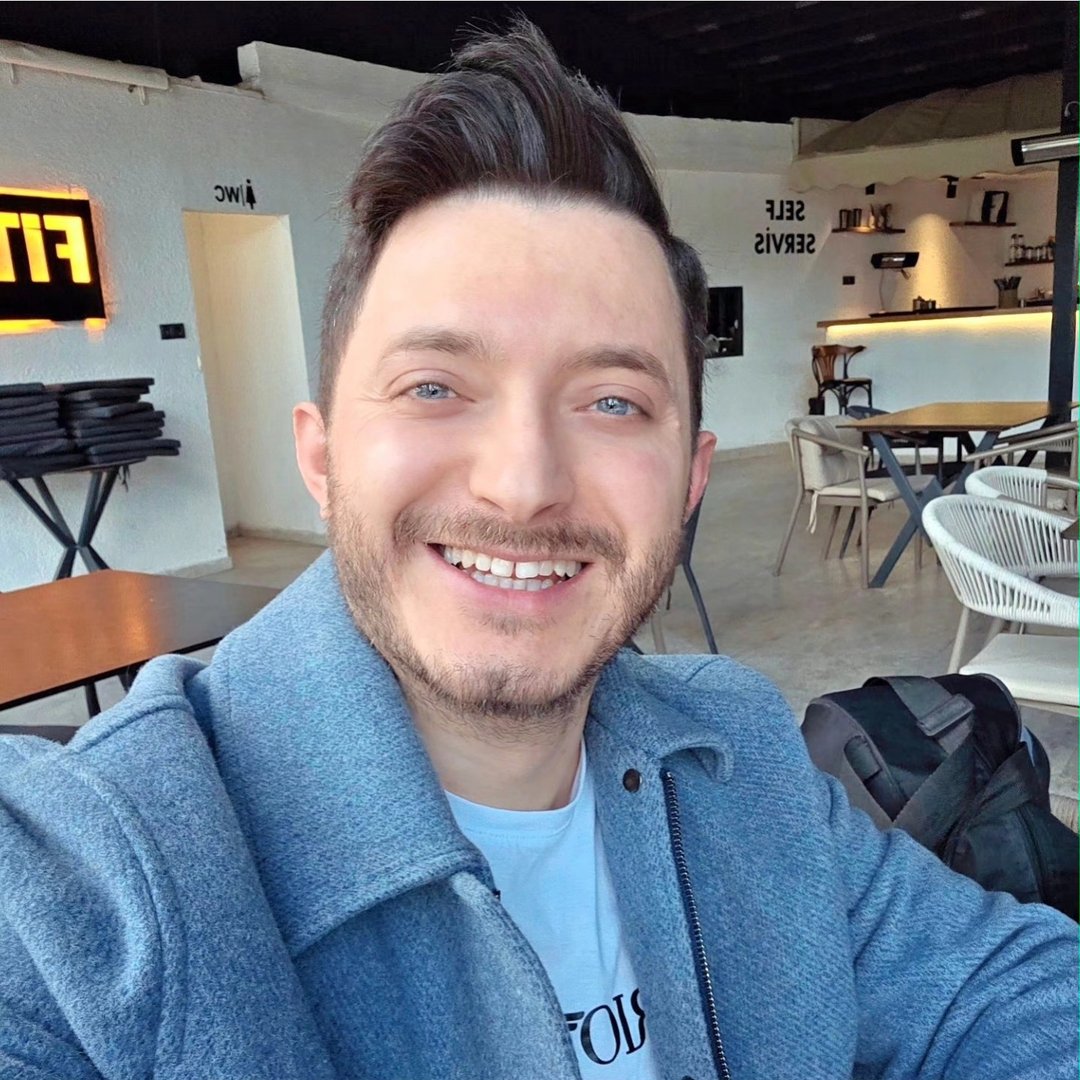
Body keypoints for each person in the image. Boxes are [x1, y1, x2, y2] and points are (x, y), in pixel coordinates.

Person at [0, 21, 1074, 1080]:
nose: (523, 483)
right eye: (434, 387)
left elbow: (1008, 987)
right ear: (322, 458)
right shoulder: (102, 881)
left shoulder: (735, 752)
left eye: (612, 401)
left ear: (690, 481)